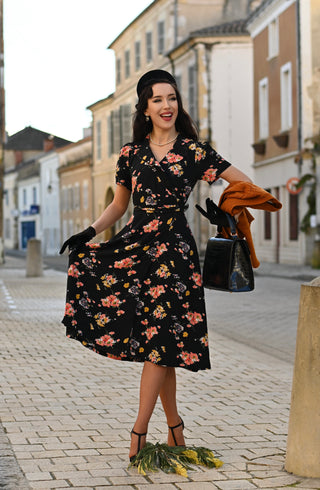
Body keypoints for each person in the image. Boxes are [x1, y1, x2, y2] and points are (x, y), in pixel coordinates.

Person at [60, 69, 252, 462]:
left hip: (176, 255)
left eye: (172, 98)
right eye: (158, 100)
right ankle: (176, 427)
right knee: (159, 346)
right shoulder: (131, 153)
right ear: (145, 108)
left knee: (160, 343)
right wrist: (89, 233)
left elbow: (243, 185)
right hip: (136, 249)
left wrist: (226, 213)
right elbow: (119, 205)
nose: (167, 106)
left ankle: (139, 431)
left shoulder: (196, 152)